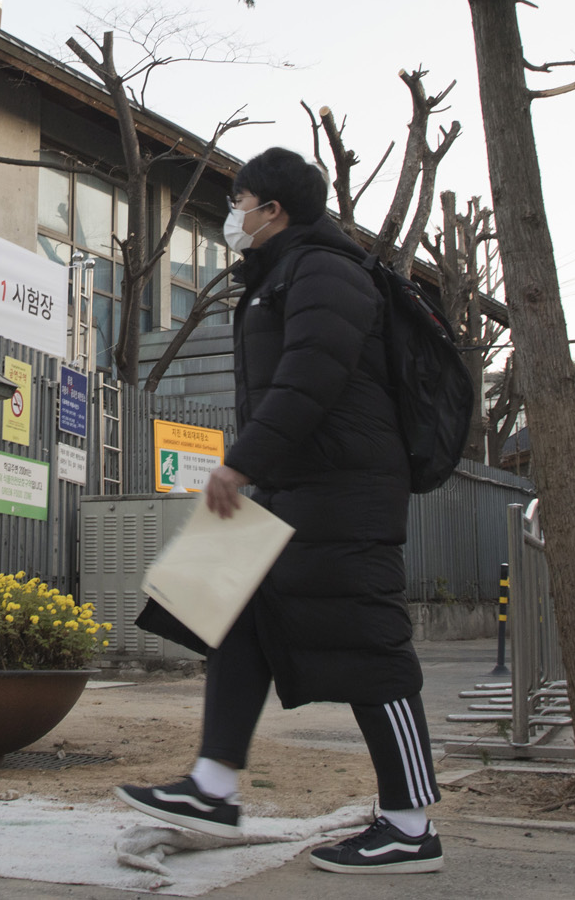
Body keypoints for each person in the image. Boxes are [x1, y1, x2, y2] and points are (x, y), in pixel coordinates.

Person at [116, 147, 444, 875]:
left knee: (370, 647)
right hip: (301, 482)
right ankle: (212, 787)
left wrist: (241, 463)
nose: (233, 214)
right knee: (223, 600)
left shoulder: (327, 270)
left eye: (240, 201)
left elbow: (309, 379)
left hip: (345, 487)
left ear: (274, 210)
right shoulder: (278, 274)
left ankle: (410, 824)